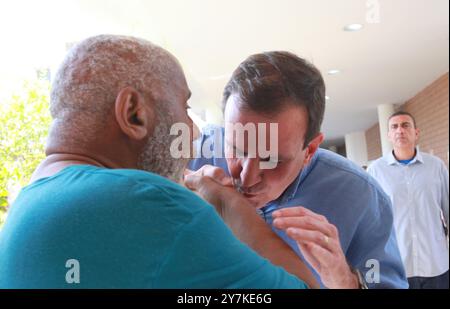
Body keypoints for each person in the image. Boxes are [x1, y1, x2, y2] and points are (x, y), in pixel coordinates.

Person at [0, 35, 316, 288]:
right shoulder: (151, 202)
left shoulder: (27, 203)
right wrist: (229, 206)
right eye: (184, 105)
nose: (192, 131)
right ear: (133, 113)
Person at [188, 51, 408, 288]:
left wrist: (345, 280)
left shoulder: (362, 197)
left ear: (310, 149)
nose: (247, 177)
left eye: (272, 160)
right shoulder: (195, 154)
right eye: (236, 149)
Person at [367, 111, 449, 289]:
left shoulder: (436, 166)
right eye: (394, 127)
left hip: (436, 263)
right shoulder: (376, 170)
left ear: (416, 132)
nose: (400, 131)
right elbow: (371, 221)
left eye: (405, 125)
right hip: (397, 266)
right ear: (389, 135)